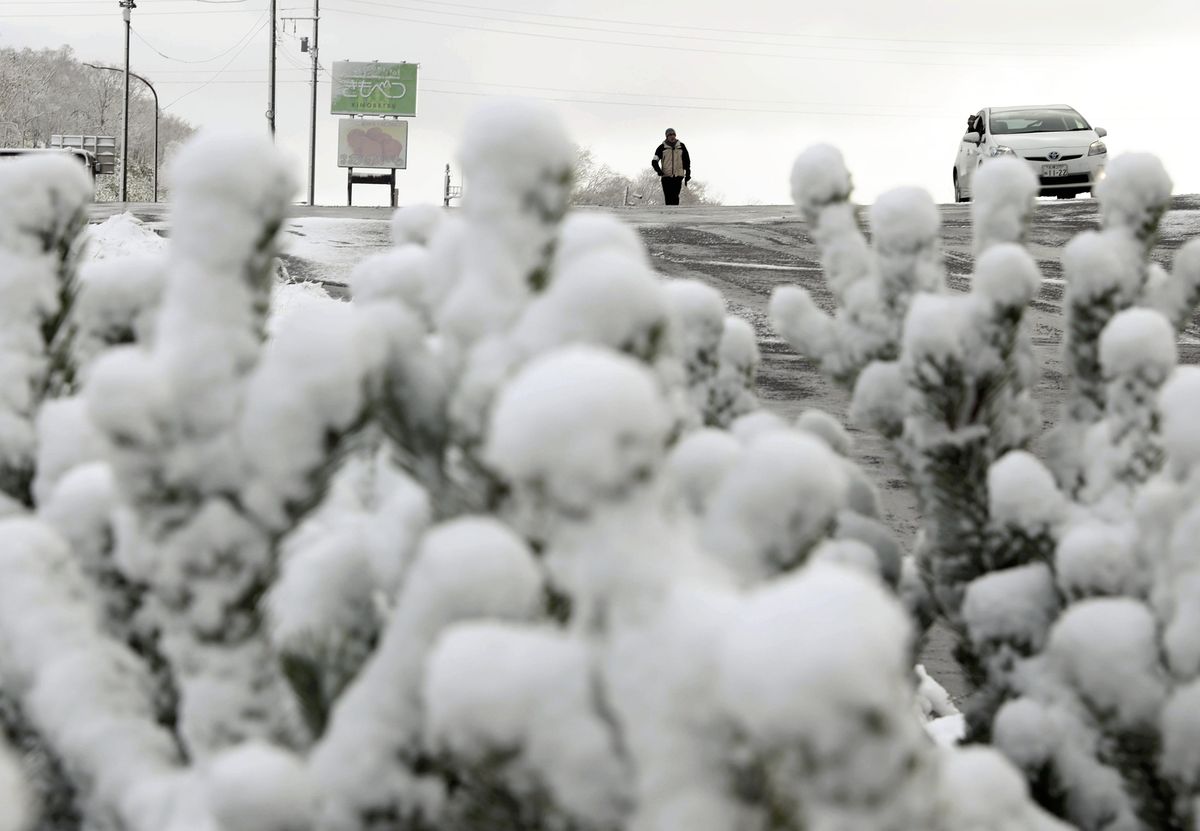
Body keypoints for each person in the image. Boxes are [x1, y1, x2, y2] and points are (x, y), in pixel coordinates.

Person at [651, 128, 691, 206]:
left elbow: (687, 161)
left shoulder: (681, 146)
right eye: (670, 135)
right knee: (668, 197)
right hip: (666, 176)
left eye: (673, 134)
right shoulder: (661, 147)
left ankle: (675, 216)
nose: (672, 136)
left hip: (678, 176)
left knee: (675, 197)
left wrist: (688, 174)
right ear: (666, 136)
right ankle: (669, 216)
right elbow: (654, 161)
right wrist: (658, 171)